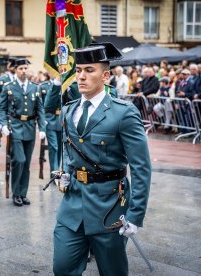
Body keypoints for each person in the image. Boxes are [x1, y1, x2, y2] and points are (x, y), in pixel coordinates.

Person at [53, 43, 151, 276]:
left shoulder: (123, 112)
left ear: (105, 75)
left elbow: (141, 167)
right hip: (72, 206)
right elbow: (69, 149)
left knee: (112, 272)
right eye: (78, 70)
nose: (81, 76)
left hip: (110, 208)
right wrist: (66, 172)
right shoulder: (69, 110)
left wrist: (135, 215)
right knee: (62, 268)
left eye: (89, 70)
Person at [0, 58, 46, 206]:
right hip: (15, 126)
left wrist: (42, 128)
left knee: (26, 164)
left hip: (30, 128)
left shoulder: (35, 87)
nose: (23, 71)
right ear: (15, 70)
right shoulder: (8, 87)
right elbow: (1, 108)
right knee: (19, 160)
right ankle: (15, 193)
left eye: (25, 68)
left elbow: (40, 109)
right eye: (20, 69)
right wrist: (3, 124)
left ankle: (23, 193)